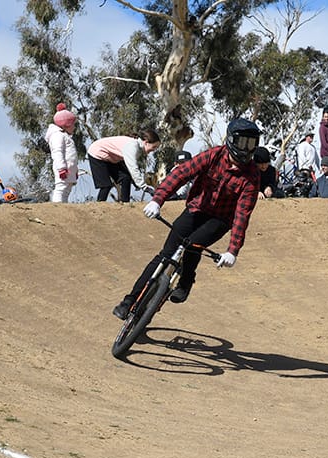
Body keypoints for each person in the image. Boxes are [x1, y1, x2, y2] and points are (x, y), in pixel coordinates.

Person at [112, 118, 261, 320]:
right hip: (196, 209)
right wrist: (157, 200)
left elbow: (242, 215)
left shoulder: (252, 176)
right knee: (165, 256)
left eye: (251, 143)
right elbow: (182, 174)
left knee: (193, 245)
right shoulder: (214, 155)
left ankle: (186, 281)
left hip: (220, 220)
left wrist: (232, 251)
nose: (246, 148)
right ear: (231, 140)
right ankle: (128, 301)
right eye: (242, 142)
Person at [87, 129, 161, 202]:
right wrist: (144, 187)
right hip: (97, 153)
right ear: (146, 142)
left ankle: (125, 204)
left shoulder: (138, 147)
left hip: (110, 157)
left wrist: (135, 181)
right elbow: (133, 168)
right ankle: (99, 206)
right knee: (106, 185)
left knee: (126, 177)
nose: (154, 150)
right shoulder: (133, 146)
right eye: (154, 147)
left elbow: (128, 166)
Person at [46, 103, 78, 203]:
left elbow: (71, 155)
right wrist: (61, 169)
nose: (74, 127)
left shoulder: (65, 135)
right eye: (73, 124)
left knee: (67, 189)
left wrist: (75, 170)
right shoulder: (57, 135)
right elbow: (57, 152)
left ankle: (63, 207)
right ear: (66, 125)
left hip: (69, 169)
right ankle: (57, 207)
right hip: (63, 169)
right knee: (61, 188)